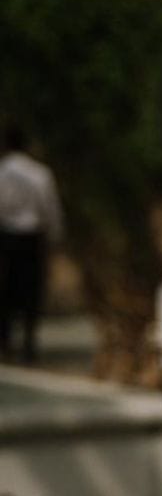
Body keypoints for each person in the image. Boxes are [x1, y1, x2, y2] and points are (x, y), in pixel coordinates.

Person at [0, 123, 63, 364]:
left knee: (5, 290)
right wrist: (55, 236)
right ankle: (28, 344)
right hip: (32, 238)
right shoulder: (39, 173)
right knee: (31, 291)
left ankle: (5, 343)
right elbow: (50, 209)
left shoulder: (2, 173)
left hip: (6, 237)